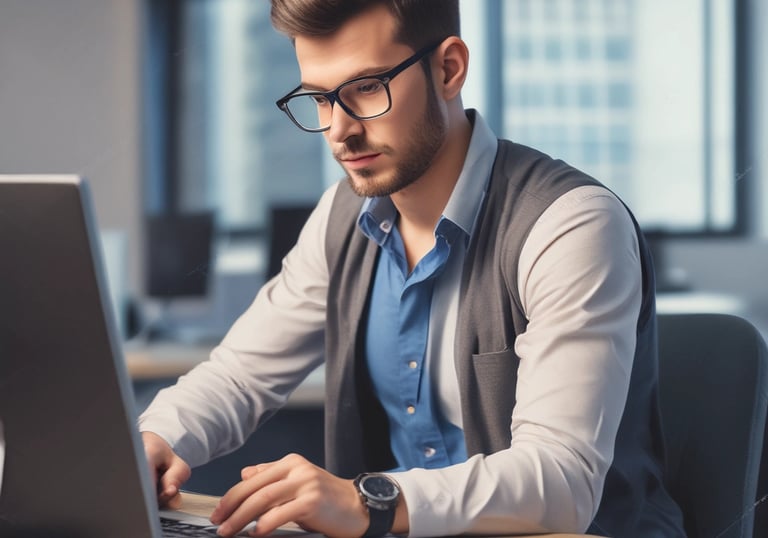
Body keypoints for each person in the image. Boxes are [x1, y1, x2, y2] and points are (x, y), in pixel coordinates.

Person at [139, 1, 686, 536]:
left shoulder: (571, 224)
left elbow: (561, 482)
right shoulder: (340, 217)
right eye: (320, 99)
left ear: (449, 69)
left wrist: (367, 501)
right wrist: (156, 438)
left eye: (366, 88)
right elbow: (239, 375)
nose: (339, 130)